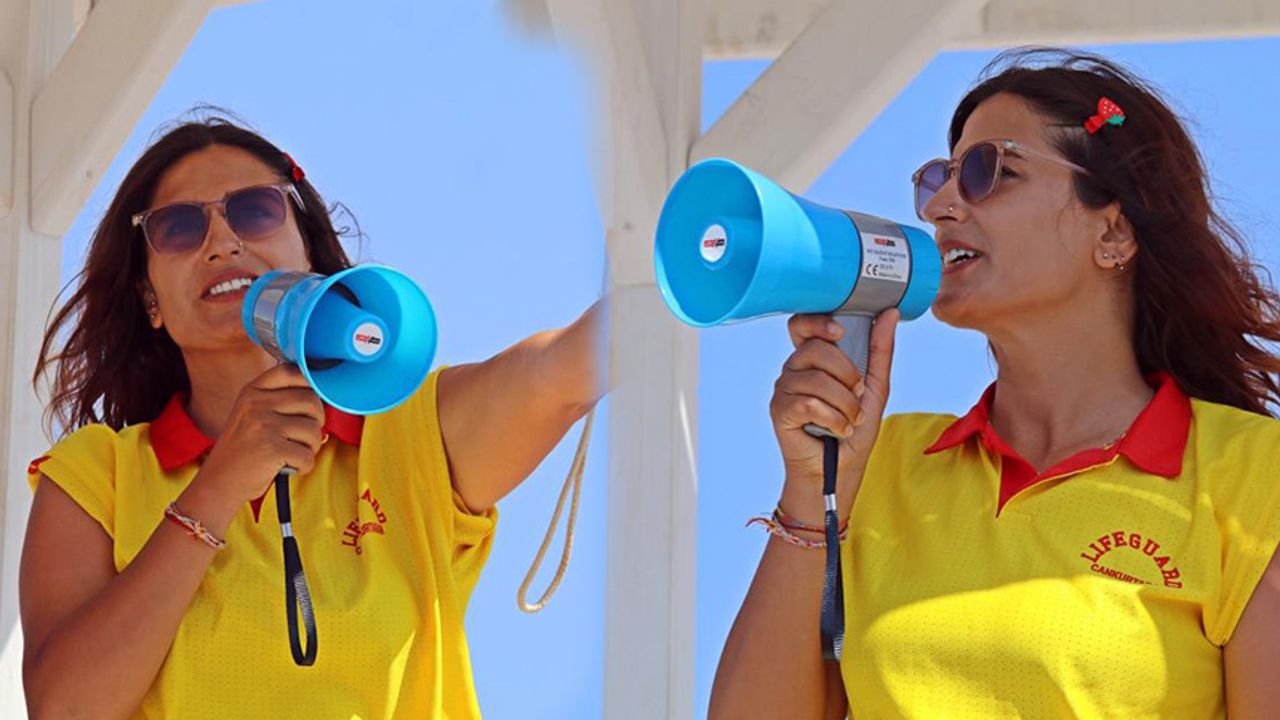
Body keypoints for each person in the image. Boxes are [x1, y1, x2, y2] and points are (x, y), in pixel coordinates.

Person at [710, 49, 1280, 719]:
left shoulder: (1253, 475)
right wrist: (812, 493)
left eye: (992, 171)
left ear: (1113, 232)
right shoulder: (879, 463)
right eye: (939, 178)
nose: (941, 206)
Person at [20, 115, 605, 719]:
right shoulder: (100, 475)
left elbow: (562, 370)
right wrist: (218, 486)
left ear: (308, 253)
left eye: (255, 210)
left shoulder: (411, 434)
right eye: (179, 227)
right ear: (150, 301)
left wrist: (658, 274)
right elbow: (64, 710)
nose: (222, 242)